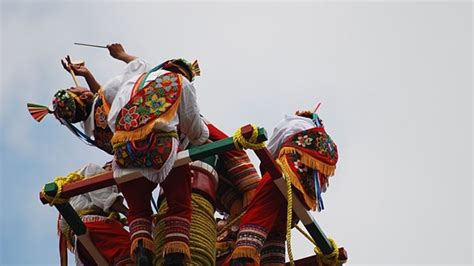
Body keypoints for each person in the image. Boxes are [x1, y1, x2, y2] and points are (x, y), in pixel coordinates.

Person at [28, 43, 209, 265]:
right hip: (161, 151)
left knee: (138, 208)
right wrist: (120, 54)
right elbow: (139, 66)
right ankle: (175, 249)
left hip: (124, 157)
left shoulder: (97, 131)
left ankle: (141, 242)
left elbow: (106, 94)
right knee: (179, 198)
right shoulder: (176, 83)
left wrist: (86, 75)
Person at [229, 110, 339, 265]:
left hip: (290, 169)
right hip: (307, 193)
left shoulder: (292, 122)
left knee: (261, 206)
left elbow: (270, 153)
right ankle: (273, 261)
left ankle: (244, 253)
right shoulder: (328, 144)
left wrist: (263, 180)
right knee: (278, 226)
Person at [58, 162, 132, 266]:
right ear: (110, 165)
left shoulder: (80, 178)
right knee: (133, 249)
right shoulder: (94, 170)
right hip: (95, 228)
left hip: (83, 242)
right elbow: (106, 199)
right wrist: (130, 214)